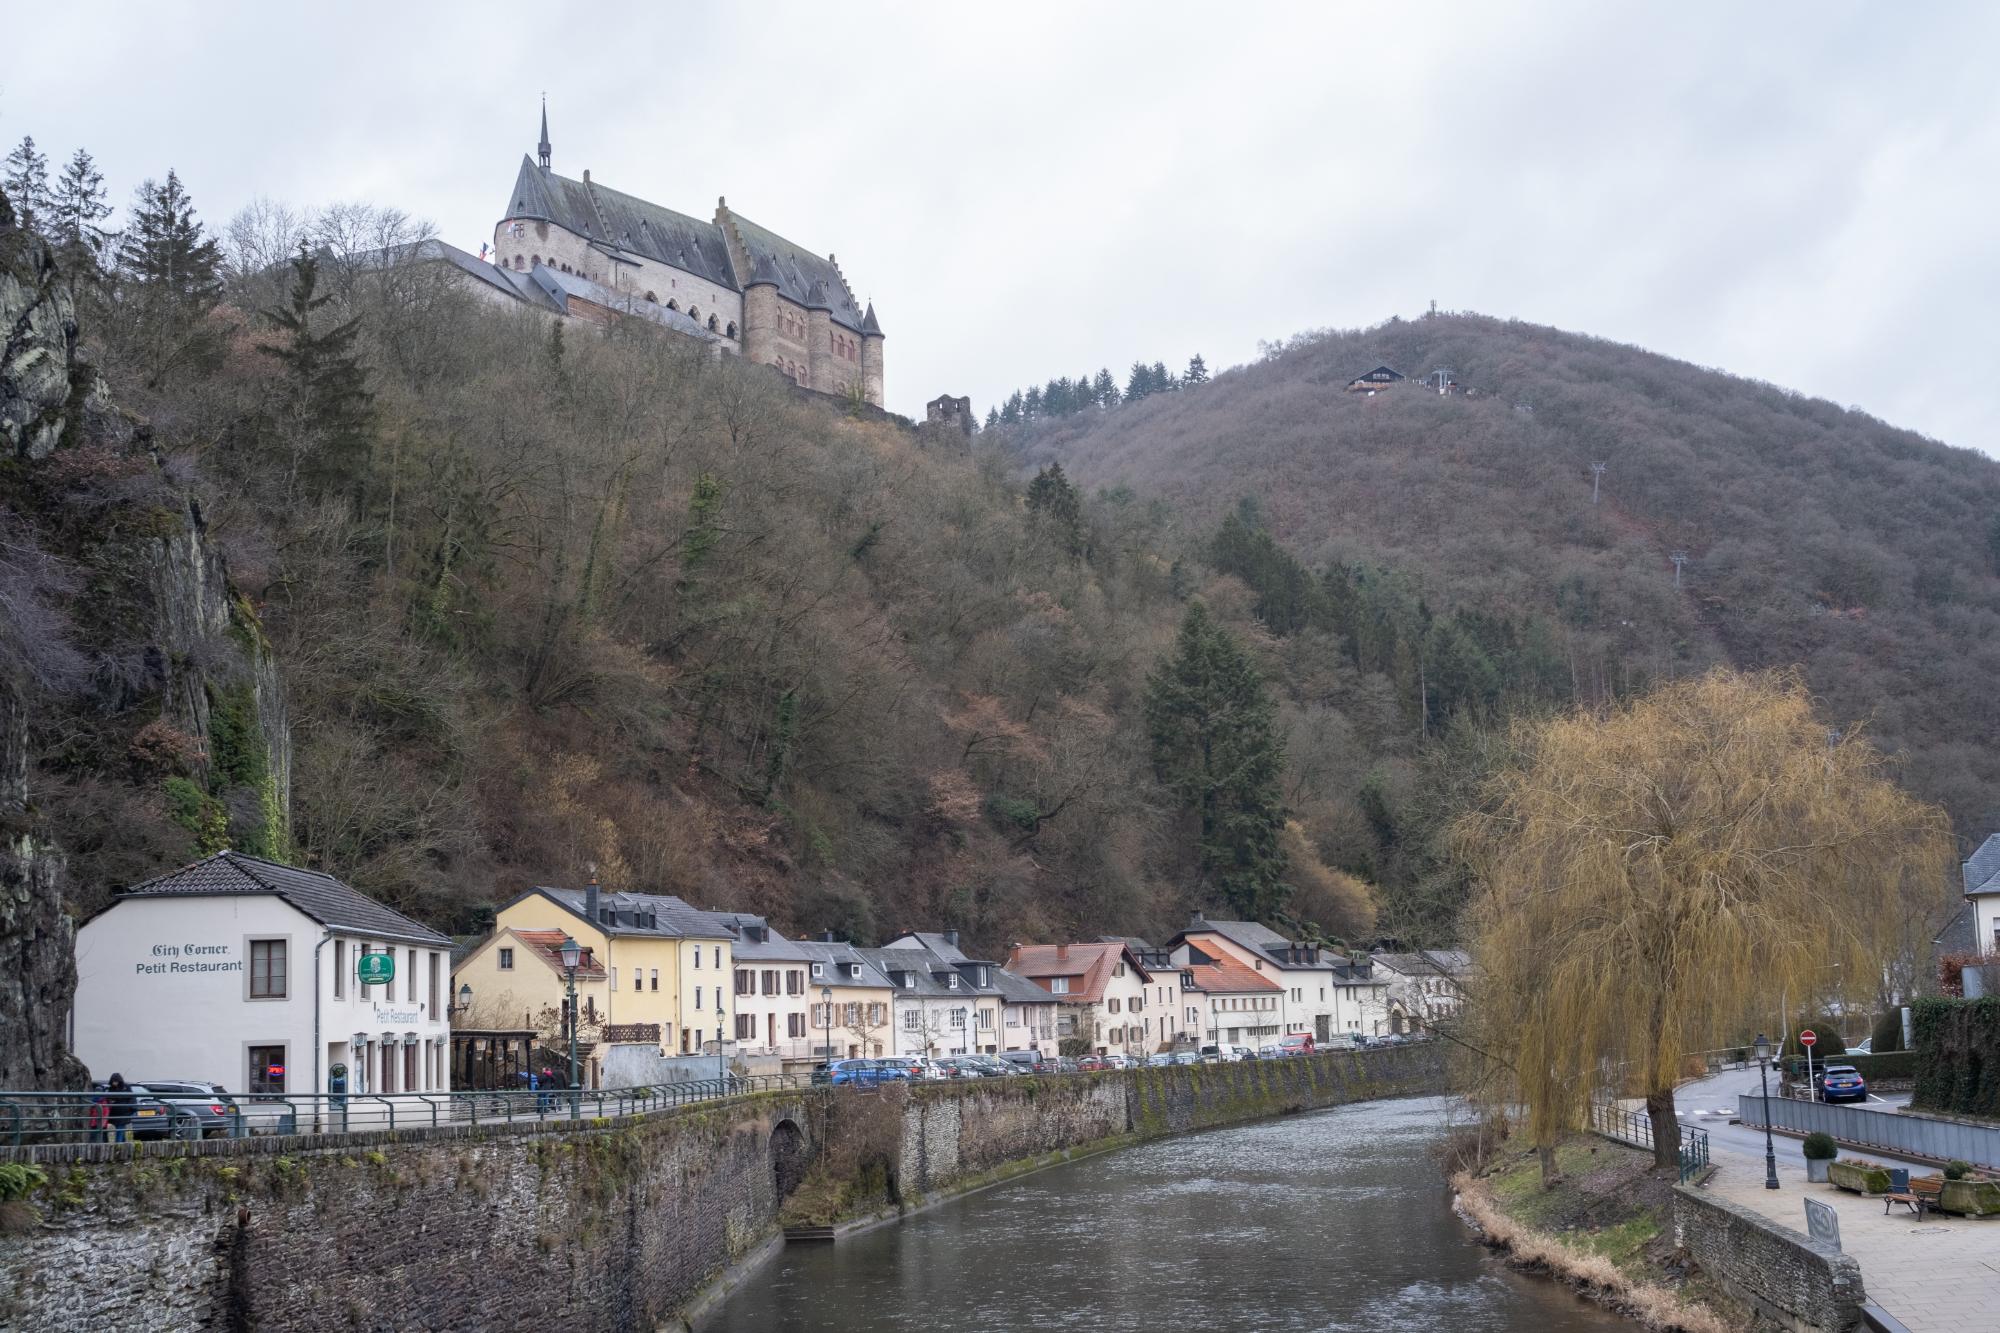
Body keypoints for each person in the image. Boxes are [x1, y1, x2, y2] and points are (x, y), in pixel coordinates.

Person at [104, 1073, 136, 1144]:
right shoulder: (111, 1089)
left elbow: (132, 1098)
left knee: (120, 1129)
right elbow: (108, 1100)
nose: (114, 1083)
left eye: (115, 1081)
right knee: (120, 1130)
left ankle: (119, 1145)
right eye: (113, 1081)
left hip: (124, 1113)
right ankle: (120, 1145)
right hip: (115, 1114)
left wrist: (129, 1108)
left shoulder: (126, 1088)